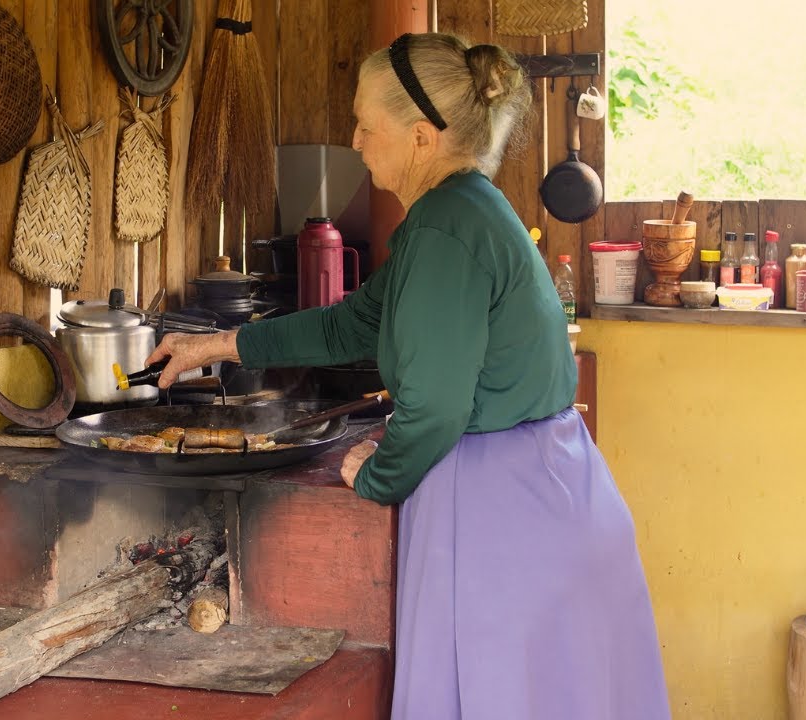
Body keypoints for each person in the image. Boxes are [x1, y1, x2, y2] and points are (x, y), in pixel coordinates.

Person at [145, 32, 670, 720]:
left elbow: (436, 407)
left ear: (421, 137)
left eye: (366, 123)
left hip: (505, 509)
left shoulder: (445, 231)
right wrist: (221, 345)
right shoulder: (460, 210)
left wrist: (379, 471)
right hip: (543, 492)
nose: (355, 139)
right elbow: (350, 324)